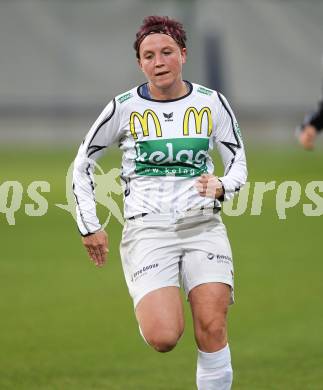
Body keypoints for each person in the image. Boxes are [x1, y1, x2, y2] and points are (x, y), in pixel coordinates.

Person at [72, 15, 247, 390]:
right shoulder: (123, 107)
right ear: (140, 63)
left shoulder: (211, 103)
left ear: (183, 54)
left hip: (203, 227)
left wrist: (222, 185)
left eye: (167, 52)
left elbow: (238, 164)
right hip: (147, 230)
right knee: (164, 336)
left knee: (213, 324)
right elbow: (82, 162)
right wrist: (89, 224)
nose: (159, 61)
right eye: (149, 56)